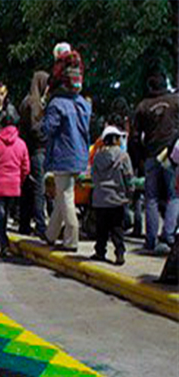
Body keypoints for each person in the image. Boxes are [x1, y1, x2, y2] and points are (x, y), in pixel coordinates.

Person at [42, 50, 91, 252]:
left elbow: (48, 129)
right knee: (62, 196)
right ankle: (51, 234)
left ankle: (71, 239)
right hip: (80, 154)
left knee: (65, 195)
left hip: (63, 156)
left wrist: (45, 105)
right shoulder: (83, 103)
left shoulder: (57, 104)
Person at [133, 73, 179, 254]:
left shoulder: (143, 106)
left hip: (152, 156)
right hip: (171, 156)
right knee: (174, 196)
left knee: (150, 198)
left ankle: (150, 240)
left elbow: (135, 137)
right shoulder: (176, 101)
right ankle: (168, 236)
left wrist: (140, 159)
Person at [0, 114, 30, 258]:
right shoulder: (21, 144)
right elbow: (26, 167)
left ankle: (3, 241)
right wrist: (19, 180)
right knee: (4, 215)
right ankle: (1, 239)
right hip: (13, 186)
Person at [90, 126, 134, 266]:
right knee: (117, 228)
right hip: (117, 198)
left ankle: (100, 252)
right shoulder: (123, 156)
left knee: (101, 228)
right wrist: (129, 193)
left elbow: (93, 177)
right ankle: (119, 253)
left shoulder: (97, 156)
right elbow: (128, 176)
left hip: (100, 199)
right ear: (115, 139)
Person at [18, 71, 51, 237]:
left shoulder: (26, 101)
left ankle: (24, 223)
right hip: (37, 150)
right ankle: (40, 225)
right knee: (39, 189)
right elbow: (35, 129)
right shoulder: (35, 103)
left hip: (26, 151)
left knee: (28, 188)